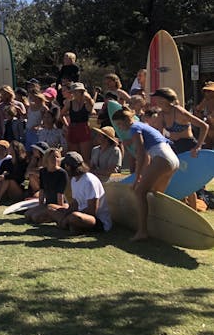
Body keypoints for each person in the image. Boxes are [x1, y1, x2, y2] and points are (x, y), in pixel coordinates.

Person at [112, 107, 178, 241]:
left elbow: (141, 155)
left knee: (139, 192)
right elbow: (147, 158)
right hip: (173, 160)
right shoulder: (142, 126)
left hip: (163, 159)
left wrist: (137, 179)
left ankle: (142, 232)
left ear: (126, 120)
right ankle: (157, 227)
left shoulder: (134, 128)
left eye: (119, 124)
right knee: (155, 194)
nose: (119, 128)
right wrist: (142, 174)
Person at [49, 151, 112, 233]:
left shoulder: (89, 181)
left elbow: (92, 210)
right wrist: (66, 212)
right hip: (79, 213)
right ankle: (71, 225)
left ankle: (71, 224)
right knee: (51, 208)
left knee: (74, 217)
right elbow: (75, 203)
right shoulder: (74, 180)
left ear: (68, 166)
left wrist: (69, 215)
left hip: (97, 220)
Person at [151, 87, 208, 156]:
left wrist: (198, 146)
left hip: (188, 145)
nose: (155, 101)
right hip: (173, 145)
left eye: (157, 98)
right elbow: (160, 134)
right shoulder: (161, 114)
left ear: (163, 99)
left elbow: (204, 126)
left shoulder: (179, 111)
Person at [24, 147, 69, 224]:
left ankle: (55, 217)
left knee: (35, 217)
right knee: (27, 215)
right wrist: (40, 206)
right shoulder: (43, 171)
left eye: (57, 157)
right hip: (48, 204)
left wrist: (60, 210)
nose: (55, 159)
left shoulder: (62, 173)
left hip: (60, 204)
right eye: (52, 157)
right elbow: (42, 190)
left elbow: (60, 194)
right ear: (46, 159)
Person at [61, 82, 95, 161]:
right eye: (73, 91)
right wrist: (66, 125)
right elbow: (61, 114)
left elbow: (91, 108)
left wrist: (88, 98)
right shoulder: (70, 103)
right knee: (74, 157)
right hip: (73, 129)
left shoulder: (87, 102)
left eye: (77, 91)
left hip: (84, 129)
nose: (75, 93)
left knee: (85, 157)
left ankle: (86, 172)